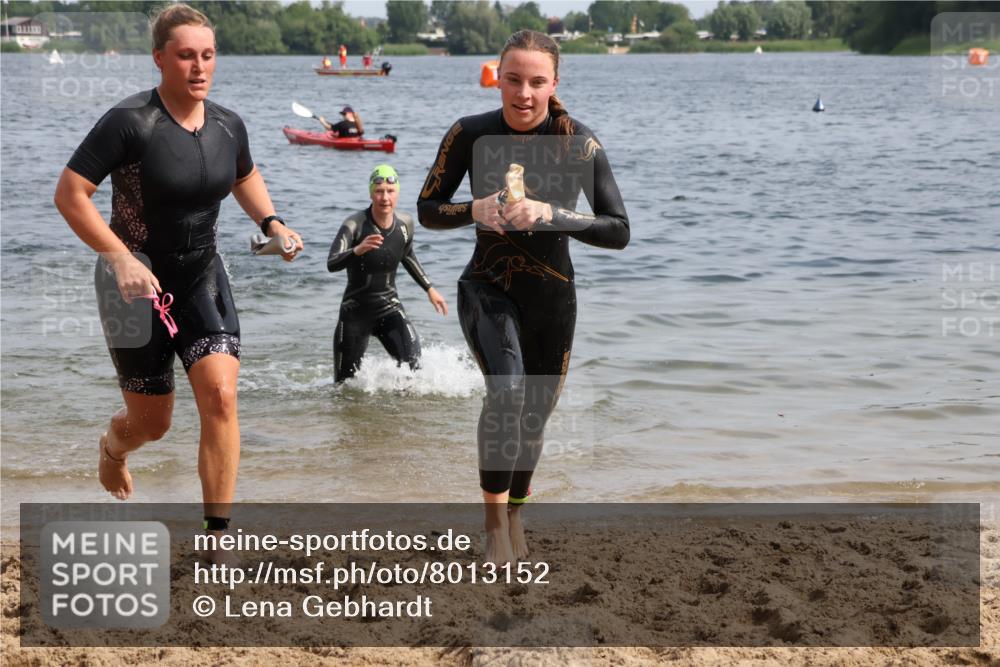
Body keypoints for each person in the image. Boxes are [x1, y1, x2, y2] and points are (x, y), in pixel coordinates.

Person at [53, 4, 304, 544]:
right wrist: (119, 257)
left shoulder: (227, 124)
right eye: (186, 56)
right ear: (160, 58)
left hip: (200, 274)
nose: (199, 67)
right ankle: (112, 448)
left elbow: (245, 174)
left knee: (221, 396)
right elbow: (70, 194)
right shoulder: (130, 122)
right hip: (132, 283)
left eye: (208, 55)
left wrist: (273, 221)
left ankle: (217, 537)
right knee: (152, 424)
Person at [417, 30, 629, 564]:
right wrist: (475, 209)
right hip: (486, 287)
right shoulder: (470, 134)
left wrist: (550, 213)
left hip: (554, 299)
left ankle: (515, 512)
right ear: (498, 78)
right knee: (507, 392)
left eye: (537, 82)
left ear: (553, 83)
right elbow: (425, 208)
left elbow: (618, 229)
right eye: (513, 80)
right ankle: (493, 527)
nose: (524, 93)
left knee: (535, 416)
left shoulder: (579, 142)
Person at [328, 165, 448, 382]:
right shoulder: (355, 225)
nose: (385, 197)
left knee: (414, 368)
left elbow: (408, 255)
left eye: (390, 191)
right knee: (344, 386)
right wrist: (357, 250)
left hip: (389, 308)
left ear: (398, 193)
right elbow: (332, 263)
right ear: (370, 193)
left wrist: (429, 288)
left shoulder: (406, 224)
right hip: (355, 314)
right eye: (379, 191)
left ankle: (399, 416)